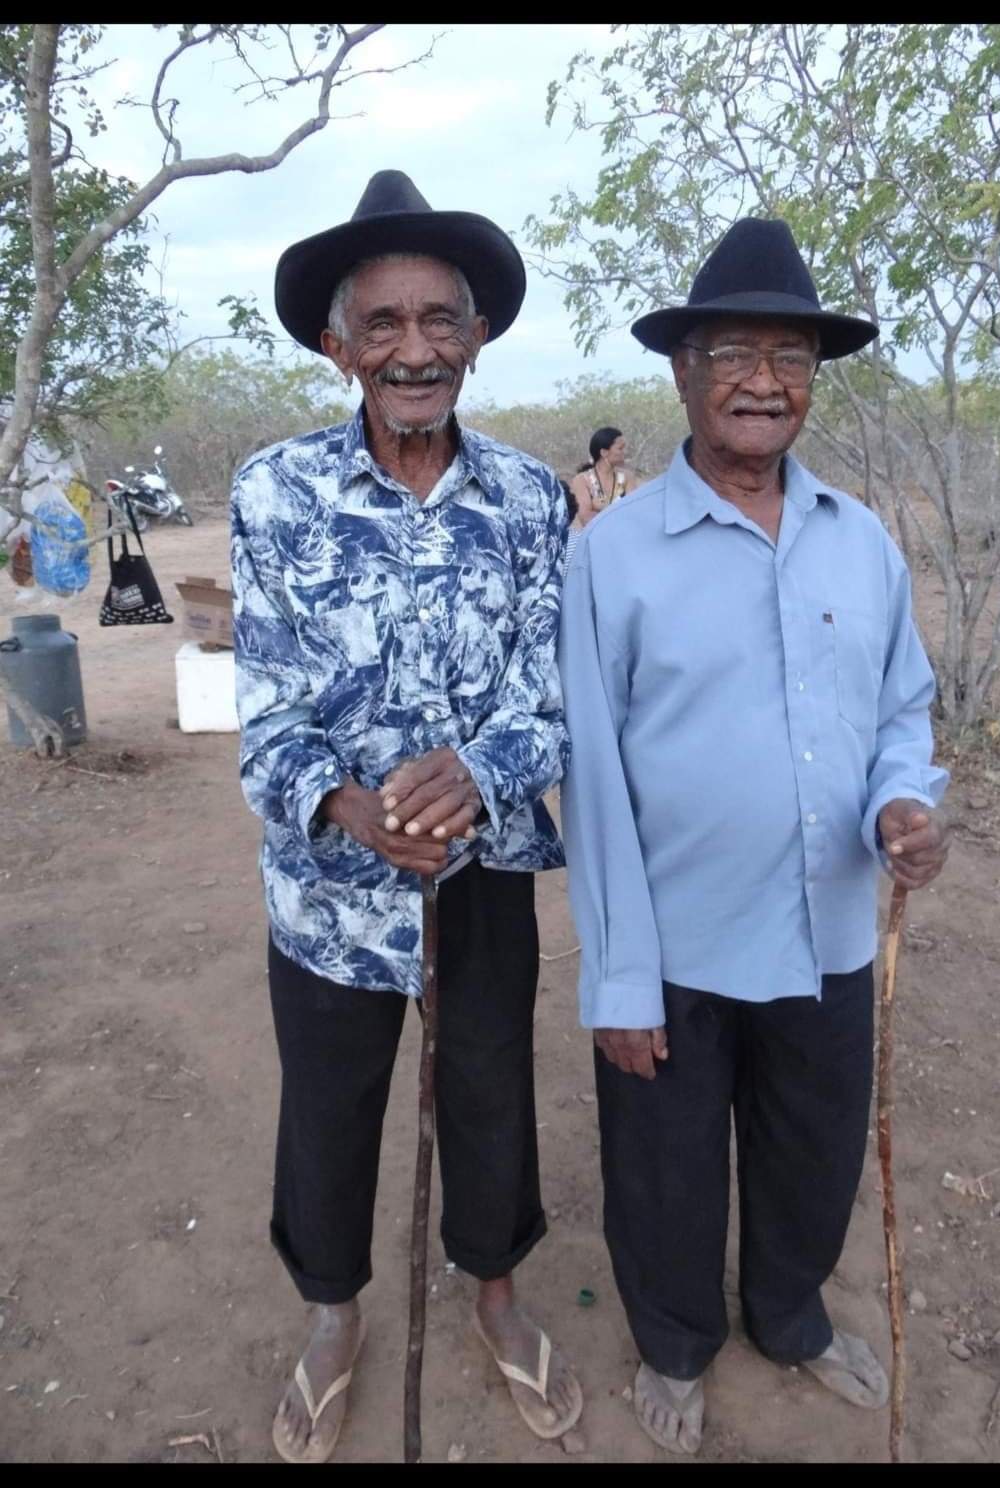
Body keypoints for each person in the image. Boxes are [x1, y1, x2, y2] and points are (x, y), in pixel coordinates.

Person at [557, 218, 950, 1455]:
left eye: (790, 356)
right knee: (665, 1169)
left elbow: (902, 705)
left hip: (829, 930)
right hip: (677, 943)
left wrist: (904, 797)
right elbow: (595, 783)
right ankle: (675, 1345)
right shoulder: (614, 555)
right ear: (684, 373)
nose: (764, 381)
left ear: (815, 379)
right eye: (735, 351)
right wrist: (617, 974)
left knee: (813, 1150)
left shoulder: (861, 538)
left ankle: (790, 1318)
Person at [231, 169, 582, 1464]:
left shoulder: (532, 500)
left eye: (440, 319)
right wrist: (344, 802)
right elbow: (264, 707)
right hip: (329, 893)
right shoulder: (273, 494)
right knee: (329, 1106)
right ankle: (333, 1317)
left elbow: (554, 696)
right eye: (382, 324)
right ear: (338, 346)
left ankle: (493, 1294)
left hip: (479, 879)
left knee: (489, 1091)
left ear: (478, 335)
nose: (414, 348)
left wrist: (482, 773)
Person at [570, 427, 640, 526]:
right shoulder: (582, 480)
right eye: (620, 448)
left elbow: (634, 510)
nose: (625, 452)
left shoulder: (627, 477)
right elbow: (585, 518)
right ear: (604, 452)